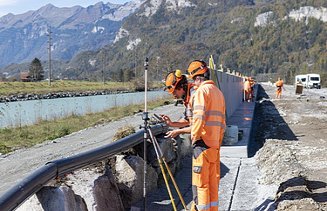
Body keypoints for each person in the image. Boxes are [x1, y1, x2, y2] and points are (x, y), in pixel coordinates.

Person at [187, 60, 226, 211]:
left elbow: (198, 118)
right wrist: (217, 142)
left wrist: (194, 137)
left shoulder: (202, 92)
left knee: (201, 186)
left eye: (193, 81)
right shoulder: (219, 93)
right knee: (213, 185)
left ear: (197, 77)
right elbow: (223, 123)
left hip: (202, 146)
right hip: (214, 146)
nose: (193, 85)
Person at [161, 69, 195, 138]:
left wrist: (178, 131)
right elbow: (187, 120)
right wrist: (171, 123)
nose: (173, 95)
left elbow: (198, 125)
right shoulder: (187, 97)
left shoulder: (195, 95)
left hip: (207, 138)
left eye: (174, 92)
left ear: (181, 87)